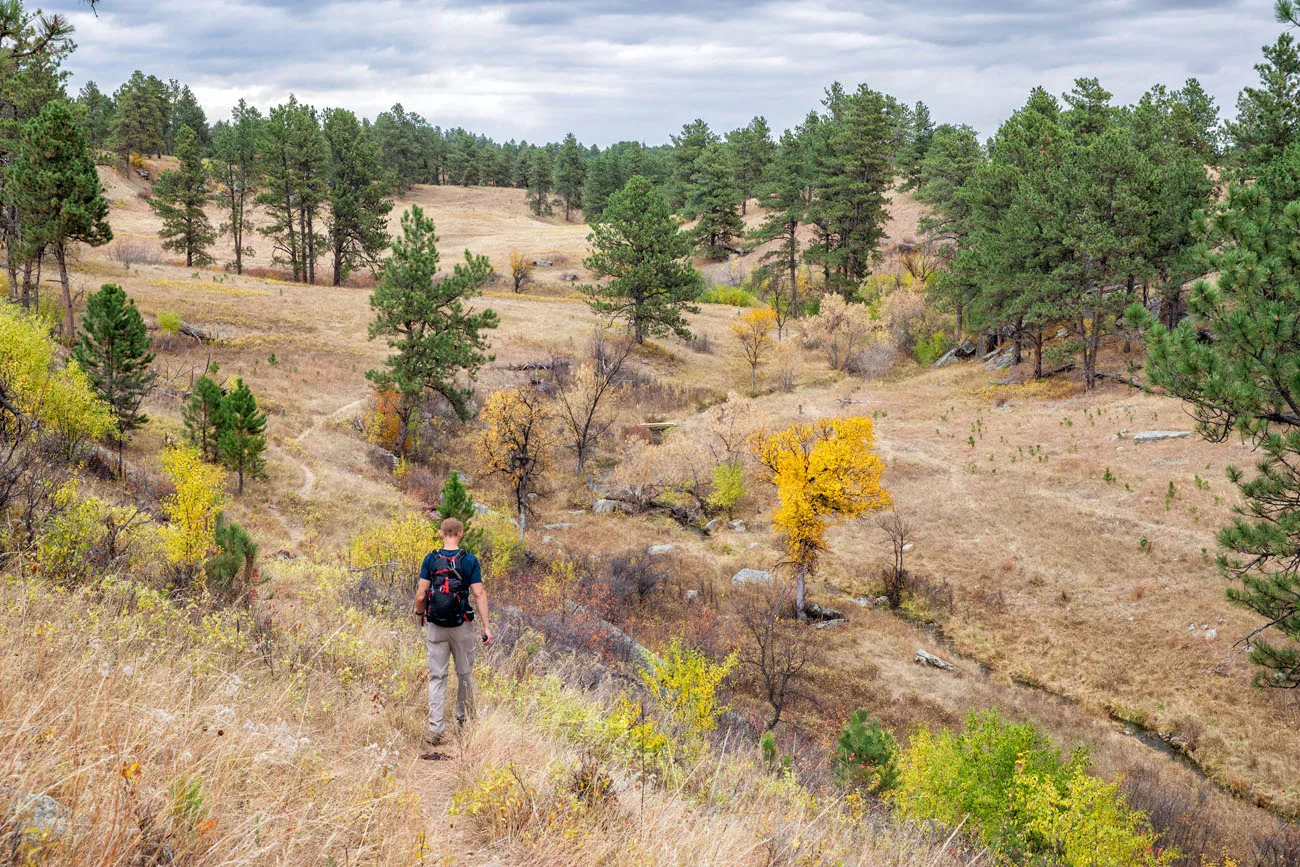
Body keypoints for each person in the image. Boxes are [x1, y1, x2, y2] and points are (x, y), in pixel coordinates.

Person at [414, 517, 493, 745]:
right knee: (465, 674)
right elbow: (479, 594)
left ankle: (436, 730)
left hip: (436, 626)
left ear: (441, 533)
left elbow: (421, 596)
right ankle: (463, 722)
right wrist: (486, 627)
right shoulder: (470, 560)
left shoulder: (430, 559)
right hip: (462, 627)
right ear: (460, 533)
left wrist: (421, 615)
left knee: (437, 676)